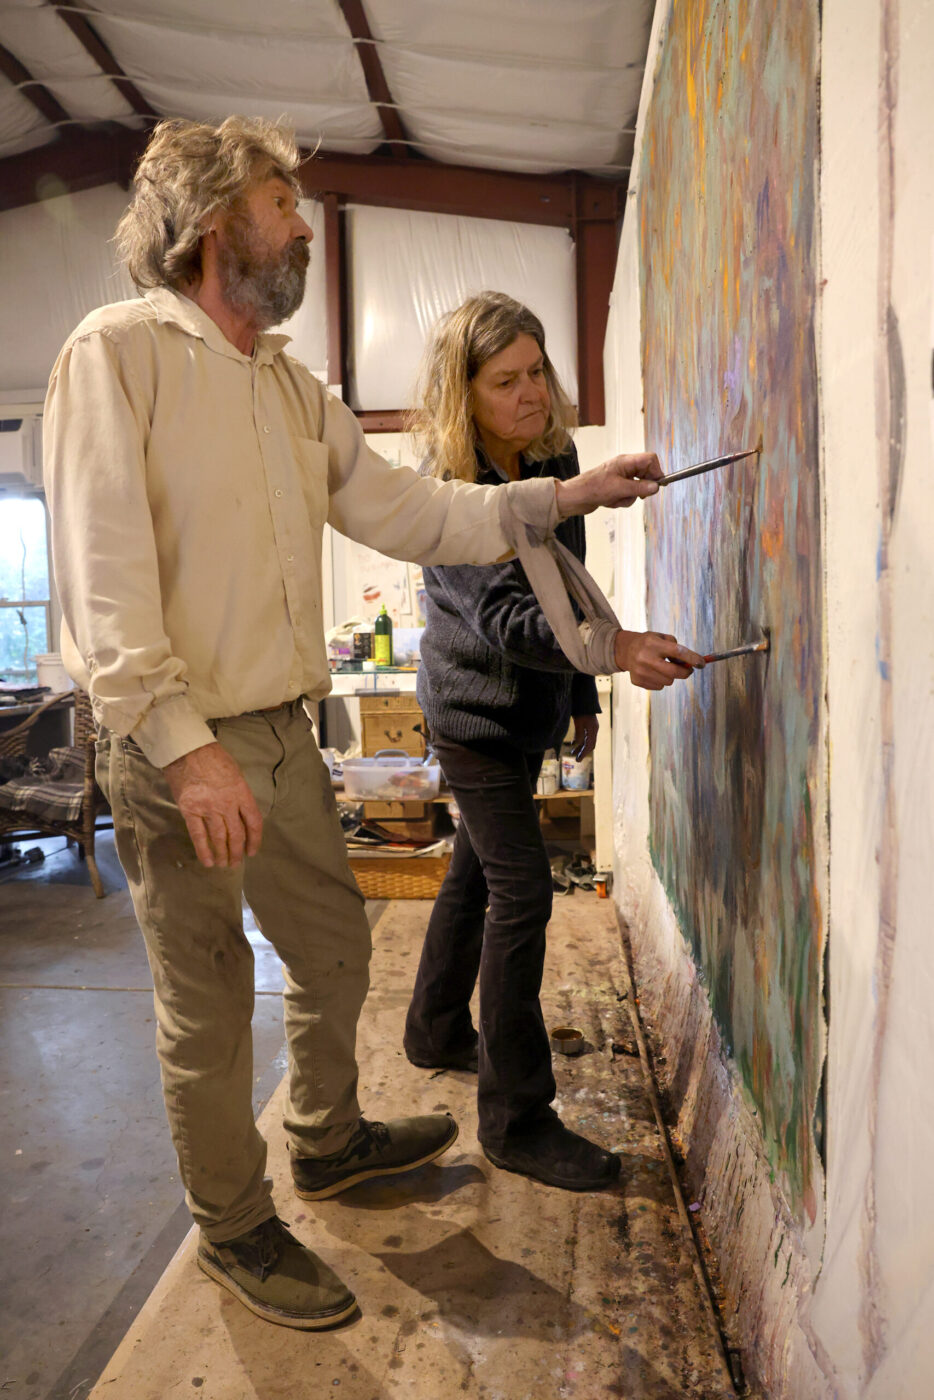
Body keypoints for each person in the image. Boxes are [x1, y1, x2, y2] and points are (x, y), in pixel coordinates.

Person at [42, 119, 691, 1330]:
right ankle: (236, 1224)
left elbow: (410, 507)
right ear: (209, 221)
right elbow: (103, 572)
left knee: (334, 947)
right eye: (282, 203)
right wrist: (185, 753)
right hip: (178, 739)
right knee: (208, 994)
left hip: (285, 724)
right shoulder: (117, 356)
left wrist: (566, 487)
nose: (303, 225)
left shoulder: (291, 385)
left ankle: (329, 1139)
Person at [403, 293, 702, 1192]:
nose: (531, 394)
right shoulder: (446, 497)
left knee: (476, 871)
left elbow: (562, 581)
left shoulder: (551, 456)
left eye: (538, 372)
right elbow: (502, 617)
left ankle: (435, 1032)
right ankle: (516, 1121)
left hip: (529, 709)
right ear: (465, 393)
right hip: (471, 720)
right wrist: (611, 653)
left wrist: (579, 691)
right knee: (523, 891)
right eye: (507, 381)